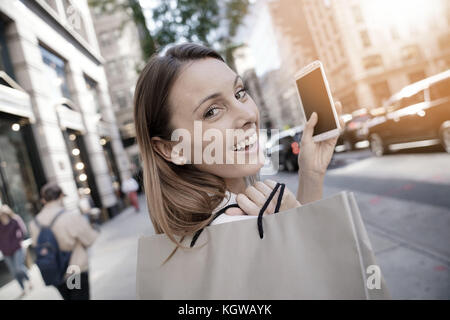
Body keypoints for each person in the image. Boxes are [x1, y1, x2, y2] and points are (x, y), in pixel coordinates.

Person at [133, 43, 344, 260]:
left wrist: (310, 174)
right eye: (212, 111)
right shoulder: (239, 225)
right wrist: (295, 228)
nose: (247, 114)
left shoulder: (196, 232)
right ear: (173, 148)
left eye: (239, 93)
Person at [28, 183, 99, 300]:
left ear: (44, 200)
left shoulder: (34, 223)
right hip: (74, 269)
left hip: (54, 272)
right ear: (61, 196)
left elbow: (37, 246)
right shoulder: (70, 216)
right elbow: (89, 239)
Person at [0, 205, 32, 298]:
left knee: (18, 267)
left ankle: (28, 279)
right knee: (14, 272)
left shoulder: (15, 219)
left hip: (17, 248)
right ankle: (22, 288)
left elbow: (23, 231)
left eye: (4, 214)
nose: (3, 217)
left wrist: (17, 240)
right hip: (6, 251)